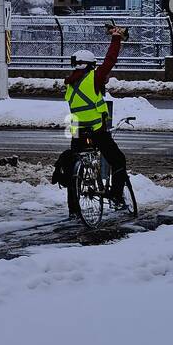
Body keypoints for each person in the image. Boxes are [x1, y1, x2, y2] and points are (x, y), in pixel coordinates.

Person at [54, 24, 127, 217]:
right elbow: (111, 60)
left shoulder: (70, 84)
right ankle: (117, 197)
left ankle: (74, 210)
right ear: (90, 65)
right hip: (97, 131)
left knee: (73, 170)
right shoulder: (93, 78)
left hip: (77, 131)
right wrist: (116, 38)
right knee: (119, 160)